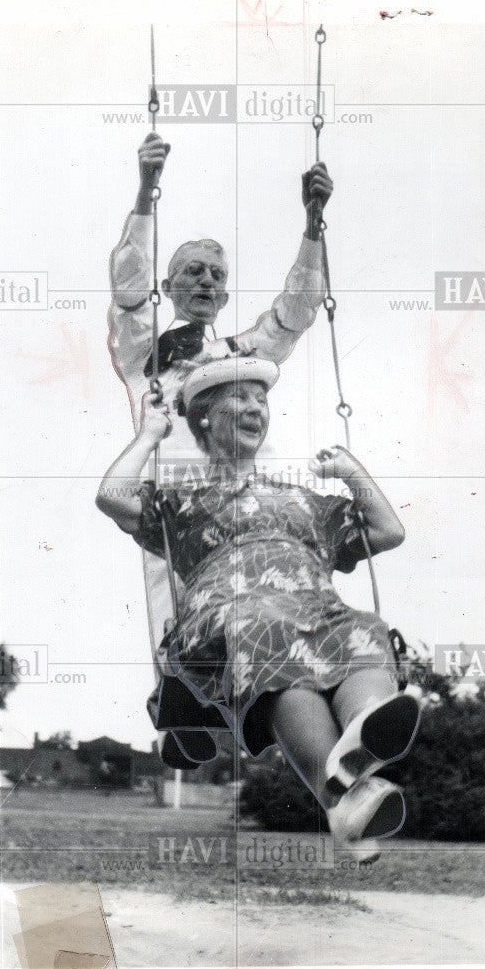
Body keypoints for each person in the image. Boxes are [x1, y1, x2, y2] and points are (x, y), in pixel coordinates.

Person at [96, 358, 421, 853]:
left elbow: (387, 531)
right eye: (240, 398)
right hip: (231, 617)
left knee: (364, 629)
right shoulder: (181, 502)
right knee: (266, 632)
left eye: (261, 399)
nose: (255, 408)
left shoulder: (304, 499)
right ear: (204, 417)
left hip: (314, 609)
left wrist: (353, 472)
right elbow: (111, 496)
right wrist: (149, 435)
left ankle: (364, 738)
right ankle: (340, 785)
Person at [107, 132, 333, 766]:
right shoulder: (143, 354)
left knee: (257, 602)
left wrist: (313, 226)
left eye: (216, 275)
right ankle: (181, 707)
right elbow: (126, 290)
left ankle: (270, 705)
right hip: (174, 497)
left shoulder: (241, 355)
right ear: (171, 288)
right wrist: (146, 192)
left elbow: (295, 311)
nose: (205, 282)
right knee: (172, 594)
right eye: (191, 273)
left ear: (225, 294)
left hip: (236, 499)